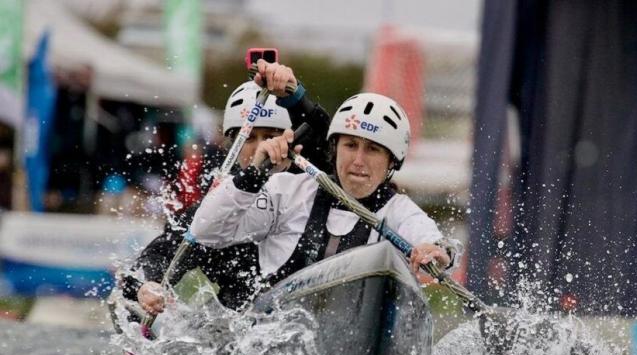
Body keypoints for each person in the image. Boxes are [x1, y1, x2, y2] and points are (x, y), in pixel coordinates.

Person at [118, 61, 333, 315]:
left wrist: (295, 96)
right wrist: (146, 285)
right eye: (250, 138)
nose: (260, 147)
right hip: (248, 323)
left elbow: (323, 136)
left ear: (290, 138)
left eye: (270, 136)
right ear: (233, 144)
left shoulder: (309, 176)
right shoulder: (219, 205)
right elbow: (167, 248)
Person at [189, 92, 458, 289]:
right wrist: (251, 177)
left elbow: (430, 239)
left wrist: (437, 251)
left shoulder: (401, 212)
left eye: (373, 149)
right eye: (350, 145)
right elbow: (205, 232)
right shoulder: (286, 191)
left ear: (392, 162)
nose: (358, 161)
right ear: (334, 149)